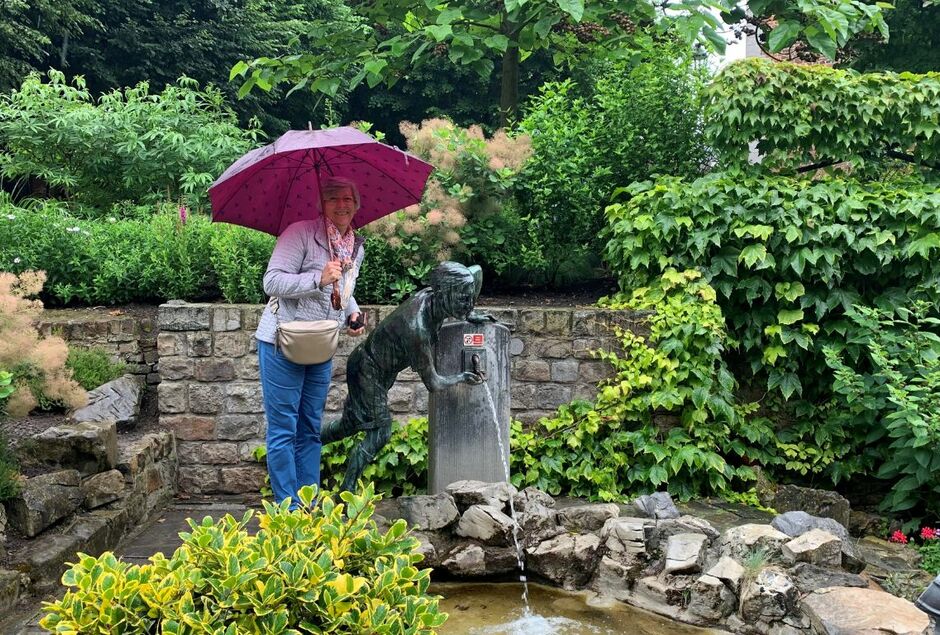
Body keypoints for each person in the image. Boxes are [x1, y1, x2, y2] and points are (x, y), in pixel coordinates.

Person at [321, 261, 487, 492]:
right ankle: (345, 494)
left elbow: (475, 272)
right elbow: (435, 383)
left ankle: (307, 443)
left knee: (349, 425)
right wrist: (462, 377)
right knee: (380, 432)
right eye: (462, 298)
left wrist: (469, 313)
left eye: (469, 297)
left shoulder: (433, 295)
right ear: (443, 294)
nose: (468, 303)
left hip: (372, 367)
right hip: (368, 370)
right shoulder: (417, 330)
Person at [254, 176, 366, 508]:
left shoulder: (354, 246)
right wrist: (316, 278)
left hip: (320, 344)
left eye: (348, 198)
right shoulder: (300, 233)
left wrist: (353, 313)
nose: (342, 204)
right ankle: (288, 510)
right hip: (283, 342)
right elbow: (271, 281)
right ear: (321, 204)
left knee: (309, 429)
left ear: (356, 204)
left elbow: (344, 290)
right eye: (333, 198)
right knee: (284, 430)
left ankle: (308, 504)